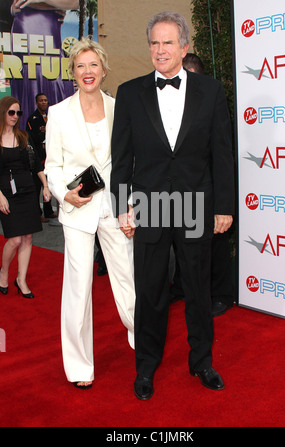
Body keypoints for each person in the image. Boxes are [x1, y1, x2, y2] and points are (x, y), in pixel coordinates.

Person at [111, 12, 235, 400]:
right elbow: (121, 157)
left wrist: (224, 207)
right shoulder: (130, 93)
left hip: (196, 202)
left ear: (184, 46)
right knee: (150, 290)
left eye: (168, 43)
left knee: (198, 288)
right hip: (148, 204)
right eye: (154, 43)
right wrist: (121, 206)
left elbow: (222, 155)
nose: (160, 50)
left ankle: (202, 361)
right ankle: (145, 367)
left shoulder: (211, 91)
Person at [45, 37, 136, 390]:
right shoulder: (58, 113)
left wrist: (130, 208)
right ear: (73, 72)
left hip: (115, 208)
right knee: (79, 290)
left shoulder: (119, 108)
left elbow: (129, 163)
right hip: (78, 210)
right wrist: (64, 194)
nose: (88, 72)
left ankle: (140, 338)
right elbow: (52, 166)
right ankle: (80, 366)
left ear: (103, 69)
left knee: (128, 277)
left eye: (93, 65)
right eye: (81, 66)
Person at [169, 52, 235, 317]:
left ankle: (221, 294)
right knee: (181, 242)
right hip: (178, 189)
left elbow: (222, 154)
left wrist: (223, 203)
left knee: (215, 244)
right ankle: (182, 287)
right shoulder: (170, 105)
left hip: (208, 188)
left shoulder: (211, 102)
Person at [0, 96, 51, 298]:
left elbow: (36, 163)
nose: (15, 116)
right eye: (11, 112)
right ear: (3, 112)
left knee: (28, 237)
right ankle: (4, 272)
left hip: (28, 190)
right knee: (14, 239)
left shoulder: (23, 136)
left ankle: (21, 279)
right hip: (6, 194)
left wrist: (45, 186)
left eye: (18, 112)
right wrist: (0, 196)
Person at [11, 0, 78, 129]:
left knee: (56, 81)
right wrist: (55, 4)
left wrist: (40, 1)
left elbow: (76, 3)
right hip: (26, 27)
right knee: (30, 76)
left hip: (51, 29)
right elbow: (22, 3)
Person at [26, 93, 57, 222]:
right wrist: (42, 132)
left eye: (45, 100)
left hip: (50, 158)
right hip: (38, 159)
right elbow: (30, 138)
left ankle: (48, 211)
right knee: (37, 187)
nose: (44, 102)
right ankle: (37, 214)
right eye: (41, 101)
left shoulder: (52, 116)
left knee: (48, 185)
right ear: (36, 103)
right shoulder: (32, 118)